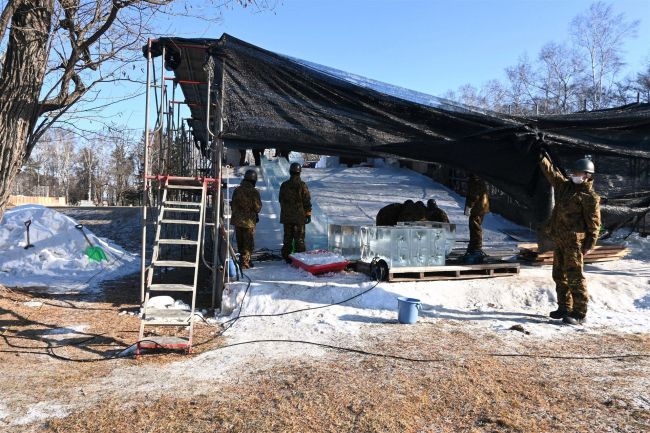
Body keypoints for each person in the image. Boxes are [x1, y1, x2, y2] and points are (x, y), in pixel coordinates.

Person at [539, 152, 600, 325]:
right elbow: (551, 172)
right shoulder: (564, 187)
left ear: (588, 176)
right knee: (559, 275)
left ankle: (579, 313)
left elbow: (594, 225)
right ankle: (564, 308)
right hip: (560, 240)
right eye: (574, 172)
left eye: (578, 173)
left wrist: (589, 245)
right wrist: (540, 155)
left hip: (575, 243)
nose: (574, 175)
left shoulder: (590, 198)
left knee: (575, 277)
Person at [279, 162, 312, 263]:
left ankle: (287, 257)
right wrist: (308, 214)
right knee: (299, 239)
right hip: (299, 217)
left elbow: (281, 199)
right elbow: (307, 201)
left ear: (290, 172)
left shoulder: (284, 185)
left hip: (287, 217)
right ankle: (300, 259)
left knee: (287, 238)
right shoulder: (302, 185)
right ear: (299, 172)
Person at [231, 169, 262, 269]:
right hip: (249, 222)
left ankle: (242, 260)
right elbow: (257, 207)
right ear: (254, 180)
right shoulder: (254, 192)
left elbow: (233, 204)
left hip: (237, 220)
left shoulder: (237, 190)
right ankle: (245, 263)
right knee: (248, 243)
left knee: (240, 241)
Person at [464, 174, 490, 260]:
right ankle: (474, 247)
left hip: (478, 207)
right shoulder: (479, 179)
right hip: (482, 206)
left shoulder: (474, 180)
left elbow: (474, 195)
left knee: (474, 226)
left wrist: (469, 206)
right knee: (475, 225)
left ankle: (476, 248)